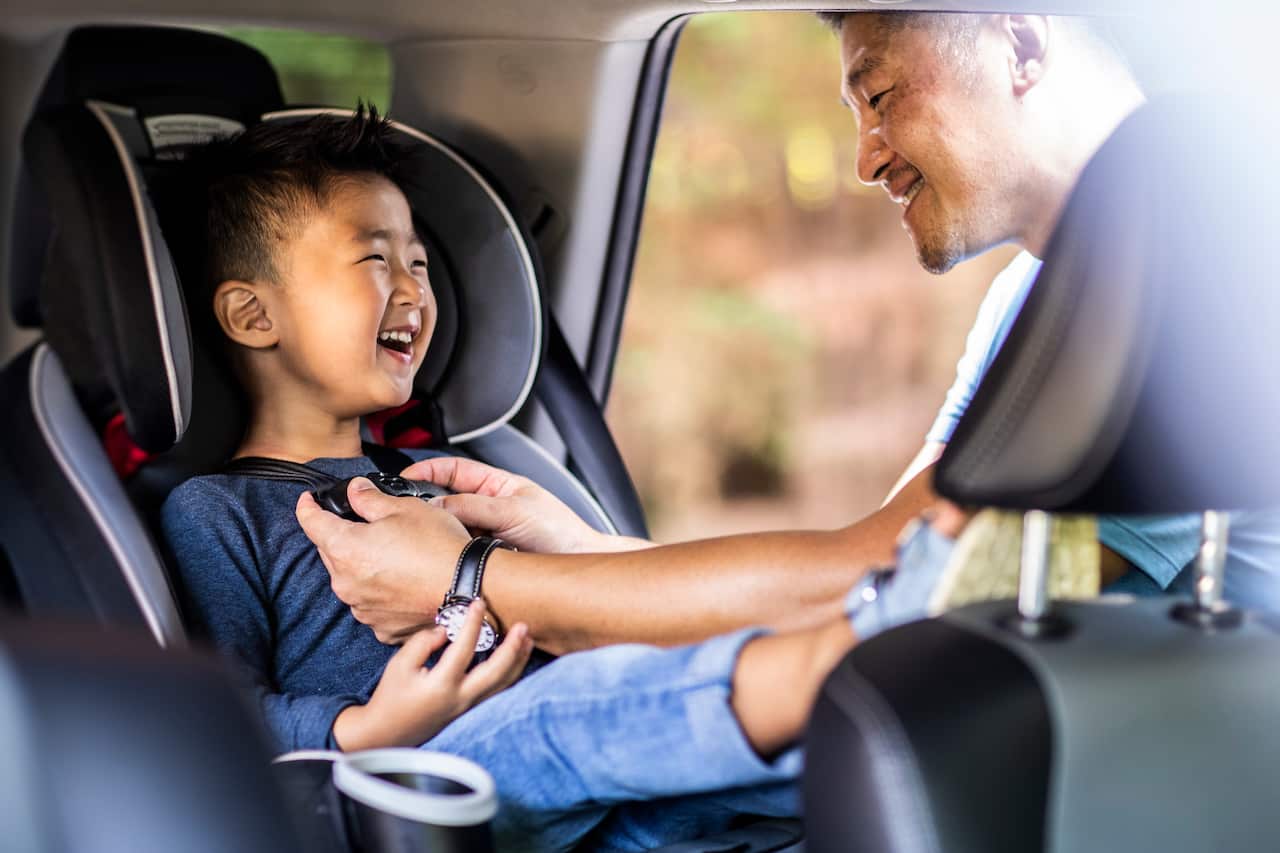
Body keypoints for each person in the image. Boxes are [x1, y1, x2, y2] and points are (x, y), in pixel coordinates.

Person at [303, 12, 1268, 658]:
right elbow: (870, 562)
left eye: (881, 97)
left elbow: (878, 588)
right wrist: (573, 555)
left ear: (1018, 44)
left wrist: (480, 580)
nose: (863, 159)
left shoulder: (1195, 261)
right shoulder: (1035, 296)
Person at [159, 106, 863, 852]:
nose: (414, 289)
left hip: (571, 776)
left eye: (421, 264)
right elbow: (227, 715)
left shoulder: (437, 479)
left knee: (776, 787)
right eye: (374, 260)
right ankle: (831, 673)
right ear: (251, 314)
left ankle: (887, 716)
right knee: (598, 697)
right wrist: (365, 729)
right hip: (424, 778)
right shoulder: (217, 510)